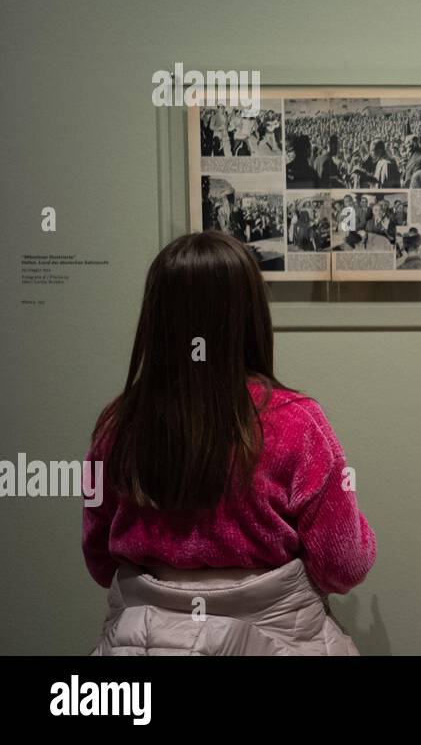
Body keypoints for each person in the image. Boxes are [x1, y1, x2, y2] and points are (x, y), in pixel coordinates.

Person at [82, 231, 376, 655]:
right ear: (250, 314)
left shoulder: (114, 428)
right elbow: (343, 565)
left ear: (156, 319)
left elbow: (98, 559)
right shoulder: (298, 423)